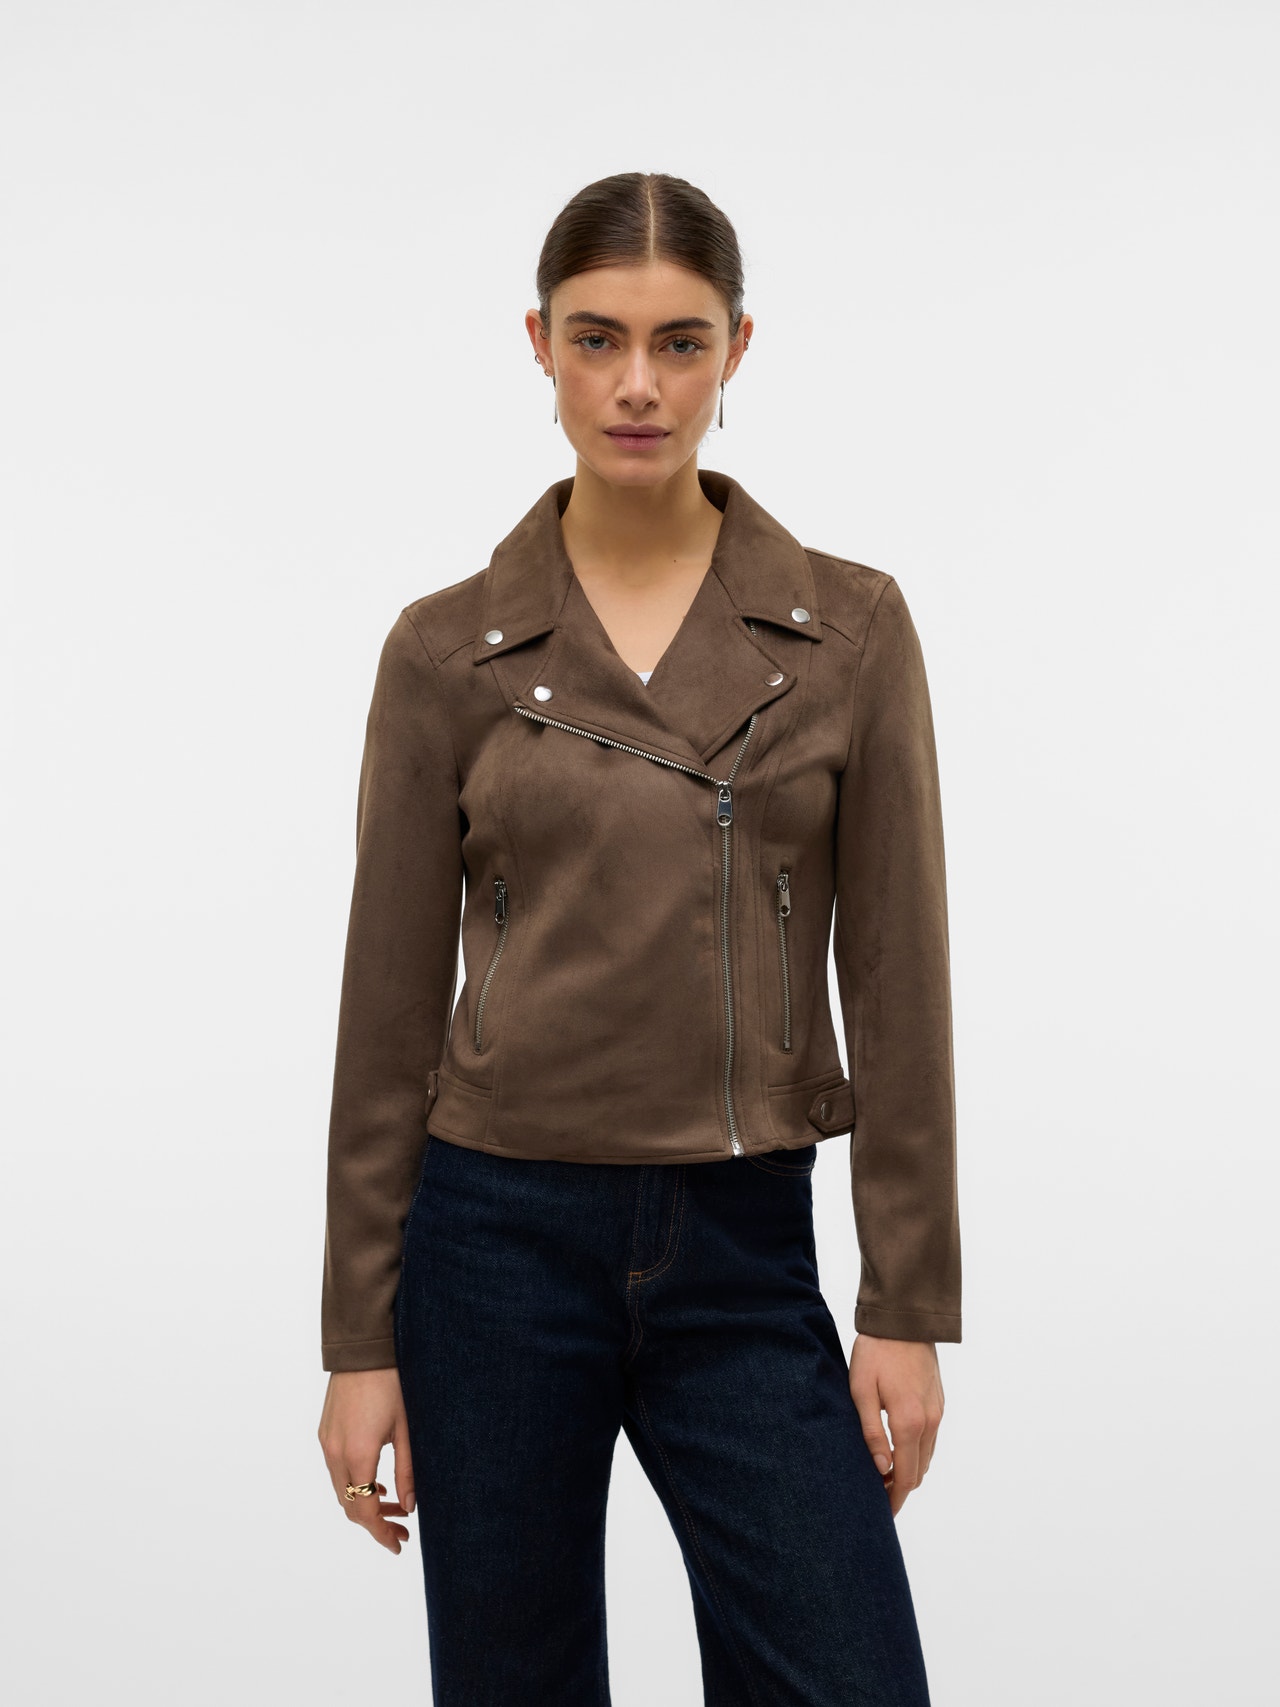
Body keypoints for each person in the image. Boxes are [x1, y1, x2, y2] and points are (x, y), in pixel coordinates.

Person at [317, 170, 961, 1706]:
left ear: (739, 350)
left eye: (680, 342)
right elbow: (386, 1015)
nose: (637, 385)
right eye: (598, 338)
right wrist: (358, 1338)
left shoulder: (850, 633)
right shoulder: (446, 652)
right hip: (491, 1244)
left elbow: (900, 986)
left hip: (742, 1242)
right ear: (538, 344)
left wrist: (905, 1308)